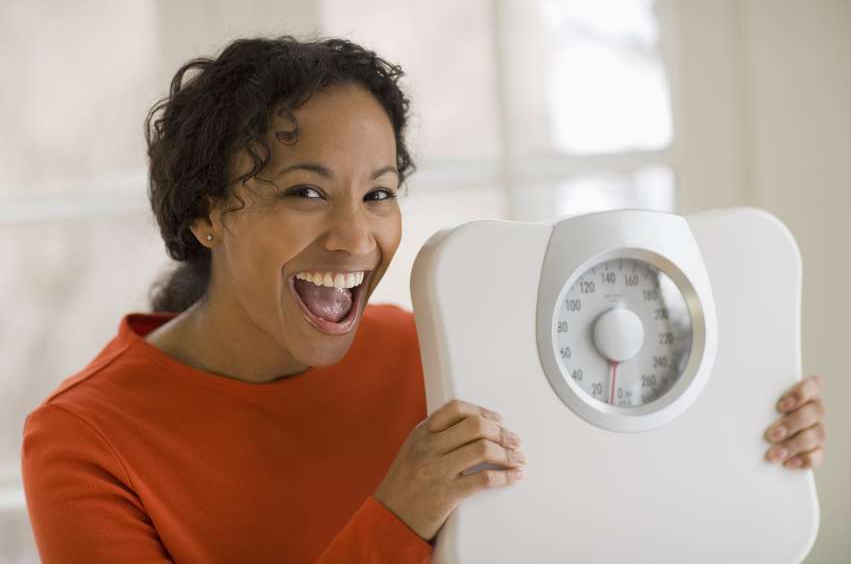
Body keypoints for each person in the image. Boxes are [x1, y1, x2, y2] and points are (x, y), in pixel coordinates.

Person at [20, 36, 827, 563]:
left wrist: (744, 443)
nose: (355, 238)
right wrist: (397, 515)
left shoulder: (432, 351)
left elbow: (613, 516)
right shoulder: (83, 442)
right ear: (204, 213)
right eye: (305, 192)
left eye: (377, 194)